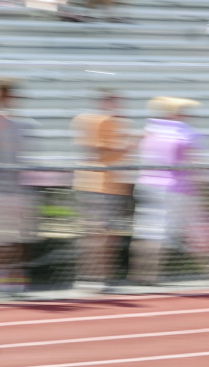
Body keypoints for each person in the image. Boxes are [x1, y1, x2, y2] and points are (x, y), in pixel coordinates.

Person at [131, 96, 209, 284]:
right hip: (176, 189)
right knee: (179, 230)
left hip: (147, 185)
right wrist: (202, 191)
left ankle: (141, 272)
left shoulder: (150, 130)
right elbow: (194, 163)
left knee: (148, 231)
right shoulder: (184, 132)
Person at [71, 90, 133, 290]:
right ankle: (93, 277)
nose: (117, 105)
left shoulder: (110, 122)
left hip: (108, 186)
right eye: (113, 101)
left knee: (103, 234)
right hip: (98, 186)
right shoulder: (101, 121)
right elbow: (100, 153)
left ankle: (98, 276)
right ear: (104, 102)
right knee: (98, 234)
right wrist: (125, 148)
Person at [0, 78, 35, 295]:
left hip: (14, 189)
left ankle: (12, 280)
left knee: (14, 237)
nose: (8, 99)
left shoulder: (19, 123)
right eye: (4, 95)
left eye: (10, 96)